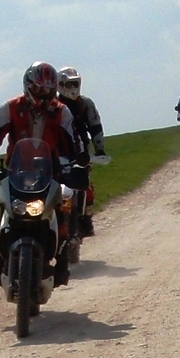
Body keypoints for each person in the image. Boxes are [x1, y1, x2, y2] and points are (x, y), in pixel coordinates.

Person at [0, 61, 85, 287]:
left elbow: (75, 140)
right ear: (27, 86)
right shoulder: (11, 108)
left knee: (61, 208)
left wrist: (78, 163)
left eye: (48, 90)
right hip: (16, 169)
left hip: (49, 171)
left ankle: (62, 263)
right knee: (6, 210)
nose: (43, 95)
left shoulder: (61, 111)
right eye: (38, 89)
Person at [56, 66, 106, 237]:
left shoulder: (85, 104)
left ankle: (85, 216)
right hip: (57, 153)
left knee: (85, 185)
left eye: (75, 83)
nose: (72, 88)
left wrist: (99, 148)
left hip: (81, 153)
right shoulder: (54, 106)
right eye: (68, 84)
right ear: (60, 85)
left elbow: (95, 125)